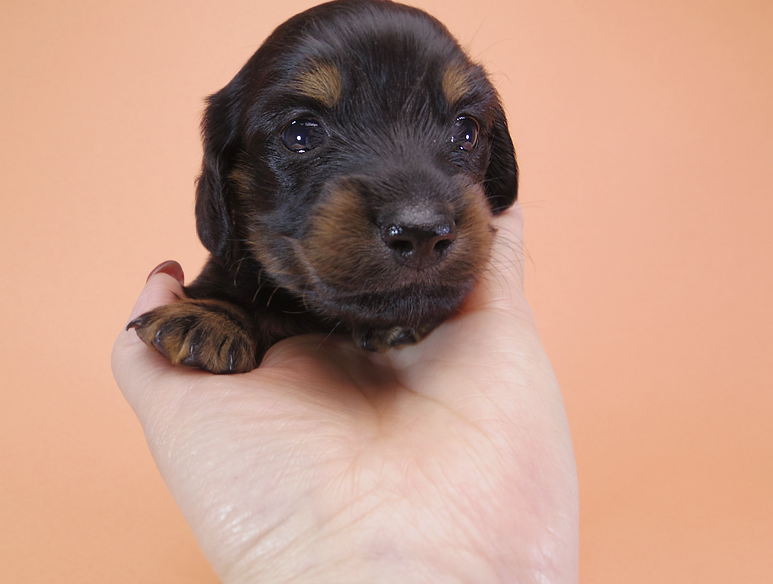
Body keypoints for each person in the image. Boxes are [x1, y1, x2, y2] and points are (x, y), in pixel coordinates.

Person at [112, 203, 579, 582]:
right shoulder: (236, 287)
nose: (418, 215)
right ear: (222, 178)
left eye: (463, 131)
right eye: (302, 134)